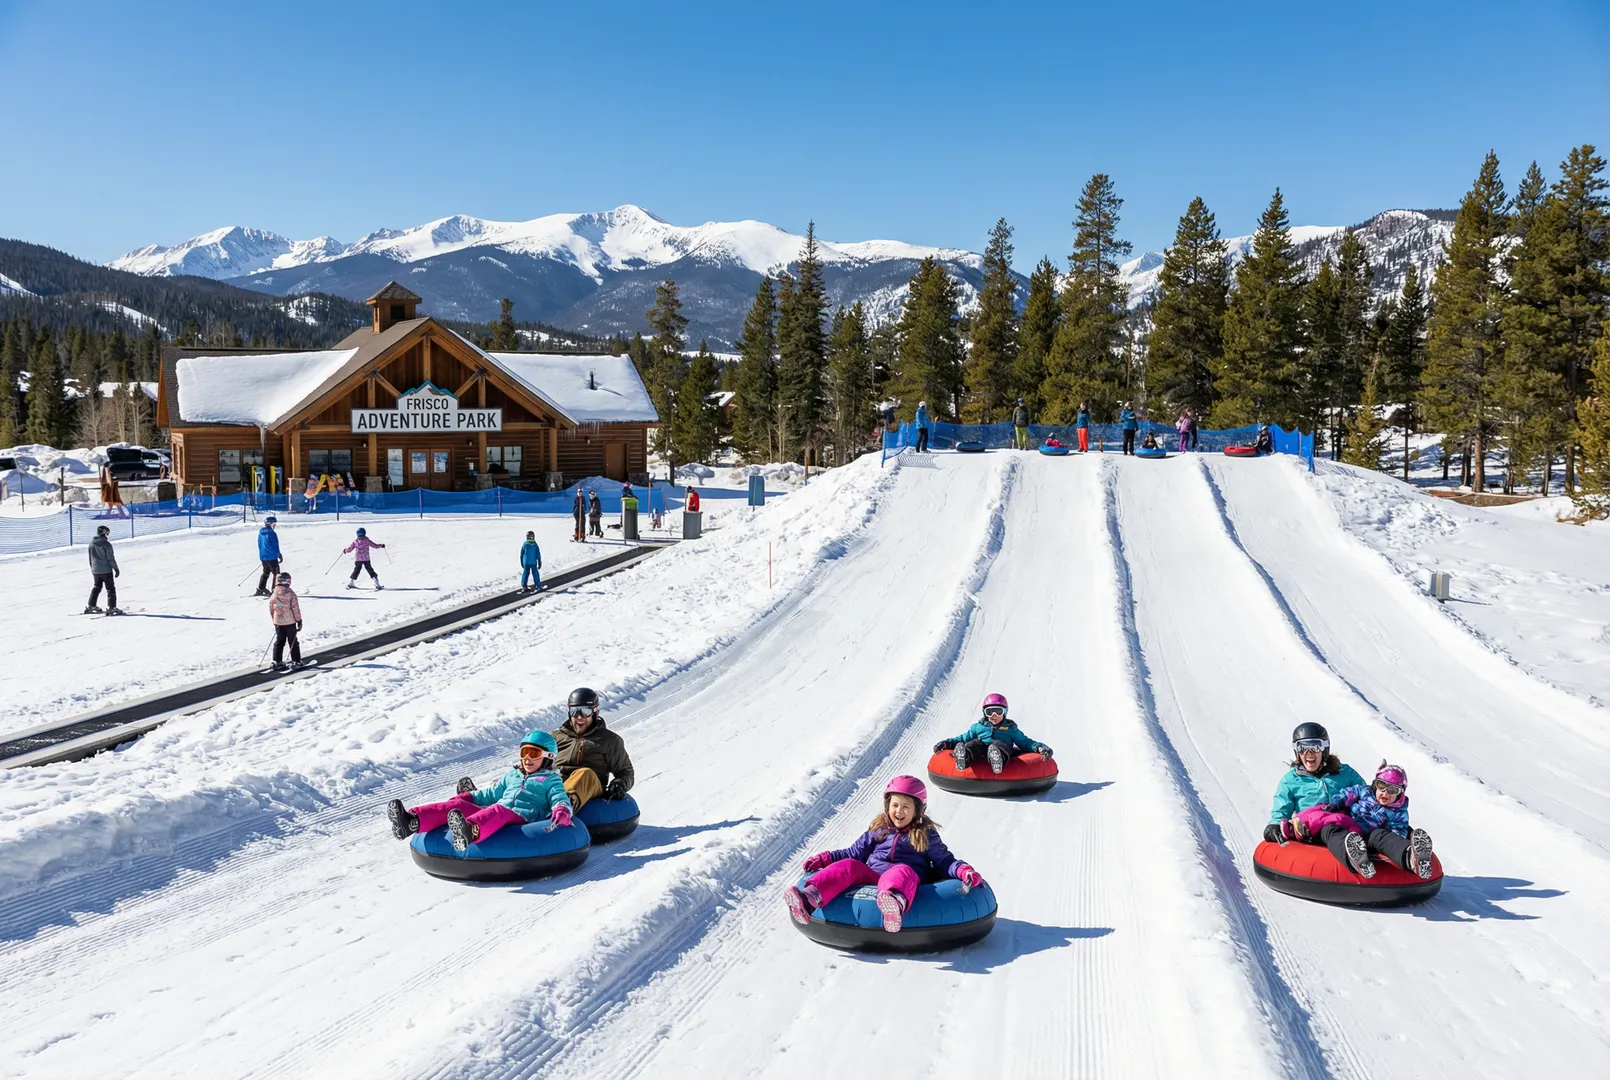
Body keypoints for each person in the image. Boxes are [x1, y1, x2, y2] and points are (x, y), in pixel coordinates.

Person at [784, 776, 984, 933]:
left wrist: (963, 870)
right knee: (850, 865)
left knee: (901, 869)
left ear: (918, 810)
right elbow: (854, 852)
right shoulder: (879, 829)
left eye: (906, 807)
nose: (899, 811)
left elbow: (944, 861)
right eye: (895, 805)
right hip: (873, 876)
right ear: (887, 806)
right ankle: (808, 899)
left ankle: (893, 904)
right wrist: (826, 858)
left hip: (903, 879)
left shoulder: (925, 834)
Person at [387, 730, 573, 851]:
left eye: (533, 754)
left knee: (499, 810)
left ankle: (469, 831)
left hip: (522, 817)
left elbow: (559, 797)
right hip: (499, 811)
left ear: (548, 757)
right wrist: (468, 796)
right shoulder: (513, 775)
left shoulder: (551, 779)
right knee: (460, 805)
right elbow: (491, 794)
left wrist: (562, 809)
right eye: (524, 752)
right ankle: (410, 821)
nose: (527, 758)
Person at [1285, 761, 1436, 880]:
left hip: (1370, 838)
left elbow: (1399, 830)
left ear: (1400, 793)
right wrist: (1337, 802)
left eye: (1392, 790)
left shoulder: (1398, 812)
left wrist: (1396, 838)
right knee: (1331, 830)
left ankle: (1411, 857)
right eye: (1381, 786)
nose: (1385, 793)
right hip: (1350, 827)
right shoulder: (1364, 792)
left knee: (1380, 835)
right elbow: (1347, 794)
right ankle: (1354, 858)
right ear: (1375, 784)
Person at [1264, 722, 1367, 842]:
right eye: (1302, 748)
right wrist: (1275, 825)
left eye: (1315, 747)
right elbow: (1281, 807)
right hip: (1311, 832)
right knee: (1328, 830)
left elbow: (1364, 795)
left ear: (1324, 750)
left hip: (1345, 827)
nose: (1308, 753)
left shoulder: (1345, 773)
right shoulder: (1291, 780)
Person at [551, 687, 635, 809]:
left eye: (585, 711)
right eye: (575, 711)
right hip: (557, 785)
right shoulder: (556, 737)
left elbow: (626, 772)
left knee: (585, 773)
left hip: (589, 787)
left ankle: (562, 808)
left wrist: (620, 784)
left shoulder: (609, 740)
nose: (579, 717)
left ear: (595, 712)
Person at [933, 692, 1052, 775]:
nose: (993, 716)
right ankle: (964, 758)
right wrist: (946, 743)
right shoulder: (979, 726)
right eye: (989, 712)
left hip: (1000, 748)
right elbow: (963, 738)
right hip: (982, 750)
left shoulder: (1010, 728)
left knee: (999, 746)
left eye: (998, 711)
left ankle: (997, 760)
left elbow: (1025, 742)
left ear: (1004, 712)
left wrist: (1040, 747)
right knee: (974, 743)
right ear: (984, 713)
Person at [268, 571, 303, 672]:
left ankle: (276, 661)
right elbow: (295, 608)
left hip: (278, 621)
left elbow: (271, 607)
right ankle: (296, 661)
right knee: (293, 642)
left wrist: (274, 619)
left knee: (279, 641)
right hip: (289, 621)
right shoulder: (290, 593)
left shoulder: (274, 593)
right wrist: (299, 620)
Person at [85, 523, 122, 615]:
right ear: (104, 533)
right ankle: (112, 607)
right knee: (110, 589)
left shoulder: (91, 544)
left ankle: (91, 605)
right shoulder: (106, 544)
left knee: (97, 587)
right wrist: (115, 568)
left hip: (96, 570)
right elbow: (110, 558)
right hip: (106, 570)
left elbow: (90, 558)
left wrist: (93, 568)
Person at [256, 515, 282, 596]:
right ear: (269, 524)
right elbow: (275, 545)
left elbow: (259, 544)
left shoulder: (260, 533)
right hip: (271, 557)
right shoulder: (272, 533)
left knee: (266, 572)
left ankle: (261, 588)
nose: (275, 526)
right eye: (274, 524)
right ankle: (274, 591)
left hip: (263, 557)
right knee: (276, 574)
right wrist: (279, 555)